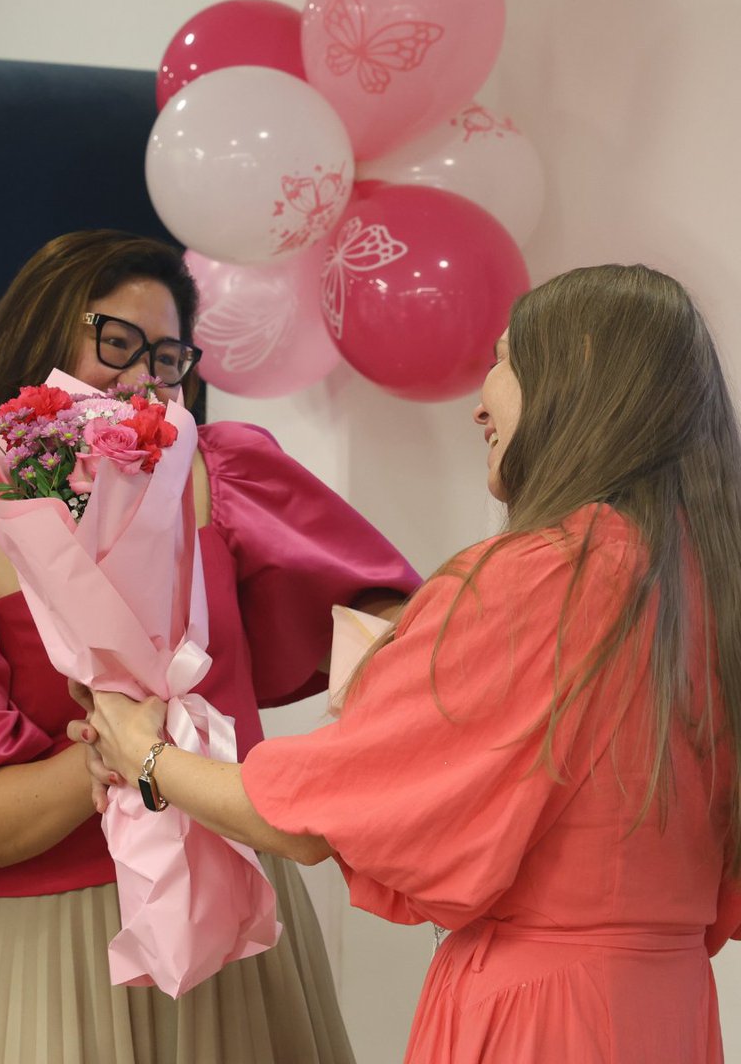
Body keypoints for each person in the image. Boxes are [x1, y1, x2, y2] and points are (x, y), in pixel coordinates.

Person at [75, 263, 741, 1063]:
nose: (479, 403)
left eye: (503, 360)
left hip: (547, 1010)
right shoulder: (707, 582)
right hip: (665, 1004)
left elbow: (310, 814)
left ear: (578, 373)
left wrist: (144, 756)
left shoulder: (544, 574)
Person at [0, 230, 420, 1064]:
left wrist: (369, 720)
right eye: (115, 344)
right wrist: (107, 755)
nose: (139, 381)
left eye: (166, 358)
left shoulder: (219, 476)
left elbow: (385, 610)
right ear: (35, 345)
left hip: (235, 915)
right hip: (52, 950)